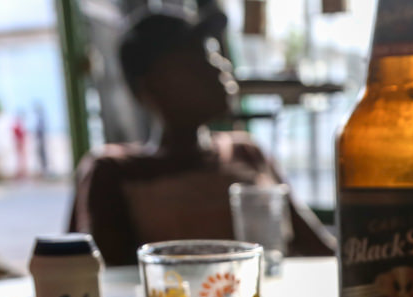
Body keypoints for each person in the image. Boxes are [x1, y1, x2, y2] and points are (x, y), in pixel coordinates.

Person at [69, 6, 335, 266]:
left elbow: (321, 249)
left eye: (215, 56)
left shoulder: (247, 153)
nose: (220, 67)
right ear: (151, 86)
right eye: (198, 59)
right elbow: (103, 278)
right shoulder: (115, 172)